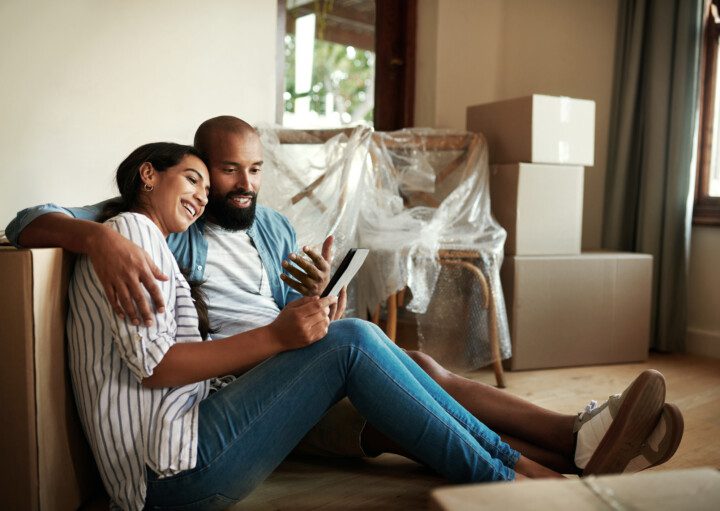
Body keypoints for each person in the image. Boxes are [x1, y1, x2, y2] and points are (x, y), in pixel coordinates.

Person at [5, 117, 683, 481]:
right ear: (188, 166)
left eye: (255, 169)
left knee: (416, 369)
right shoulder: (168, 228)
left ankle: (570, 447)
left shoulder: (267, 226)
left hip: (284, 362)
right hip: (238, 385)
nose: (239, 185)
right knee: (392, 375)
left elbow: (274, 308)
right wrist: (97, 240)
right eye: (221, 171)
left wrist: (310, 295)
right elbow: (26, 219)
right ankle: (555, 456)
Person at [62, 140, 565, 510]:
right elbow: (156, 368)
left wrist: (311, 306)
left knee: (379, 349)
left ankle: (526, 466)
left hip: (185, 448)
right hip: (169, 474)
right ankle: (518, 476)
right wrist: (278, 337)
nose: (202, 196)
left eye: (208, 187)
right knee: (355, 344)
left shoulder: (172, 236)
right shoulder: (127, 233)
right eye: (195, 178)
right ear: (148, 174)